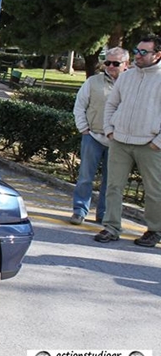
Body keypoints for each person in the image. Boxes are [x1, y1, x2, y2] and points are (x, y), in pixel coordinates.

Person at [94, 36, 161, 247]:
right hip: (120, 140)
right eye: (137, 50)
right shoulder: (126, 77)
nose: (138, 55)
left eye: (144, 52)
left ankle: (155, 230)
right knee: (113, 186)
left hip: (150, 144)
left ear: (157, 55)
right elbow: (112, 104)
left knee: (154, 190)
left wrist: (158, 141)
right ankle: (111, 227)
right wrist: (109, 130)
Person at [69, 47, 129, 225]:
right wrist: (83, 128)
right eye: (107, 62)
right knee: (85, 177)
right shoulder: (93, 81)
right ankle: (79, 211)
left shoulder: (132, 85)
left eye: (115, 63)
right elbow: (80, 105)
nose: (110, 66)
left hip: (118, 141)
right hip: (93, 137)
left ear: (126, 64)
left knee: (111, 181)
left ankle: (103, 214)